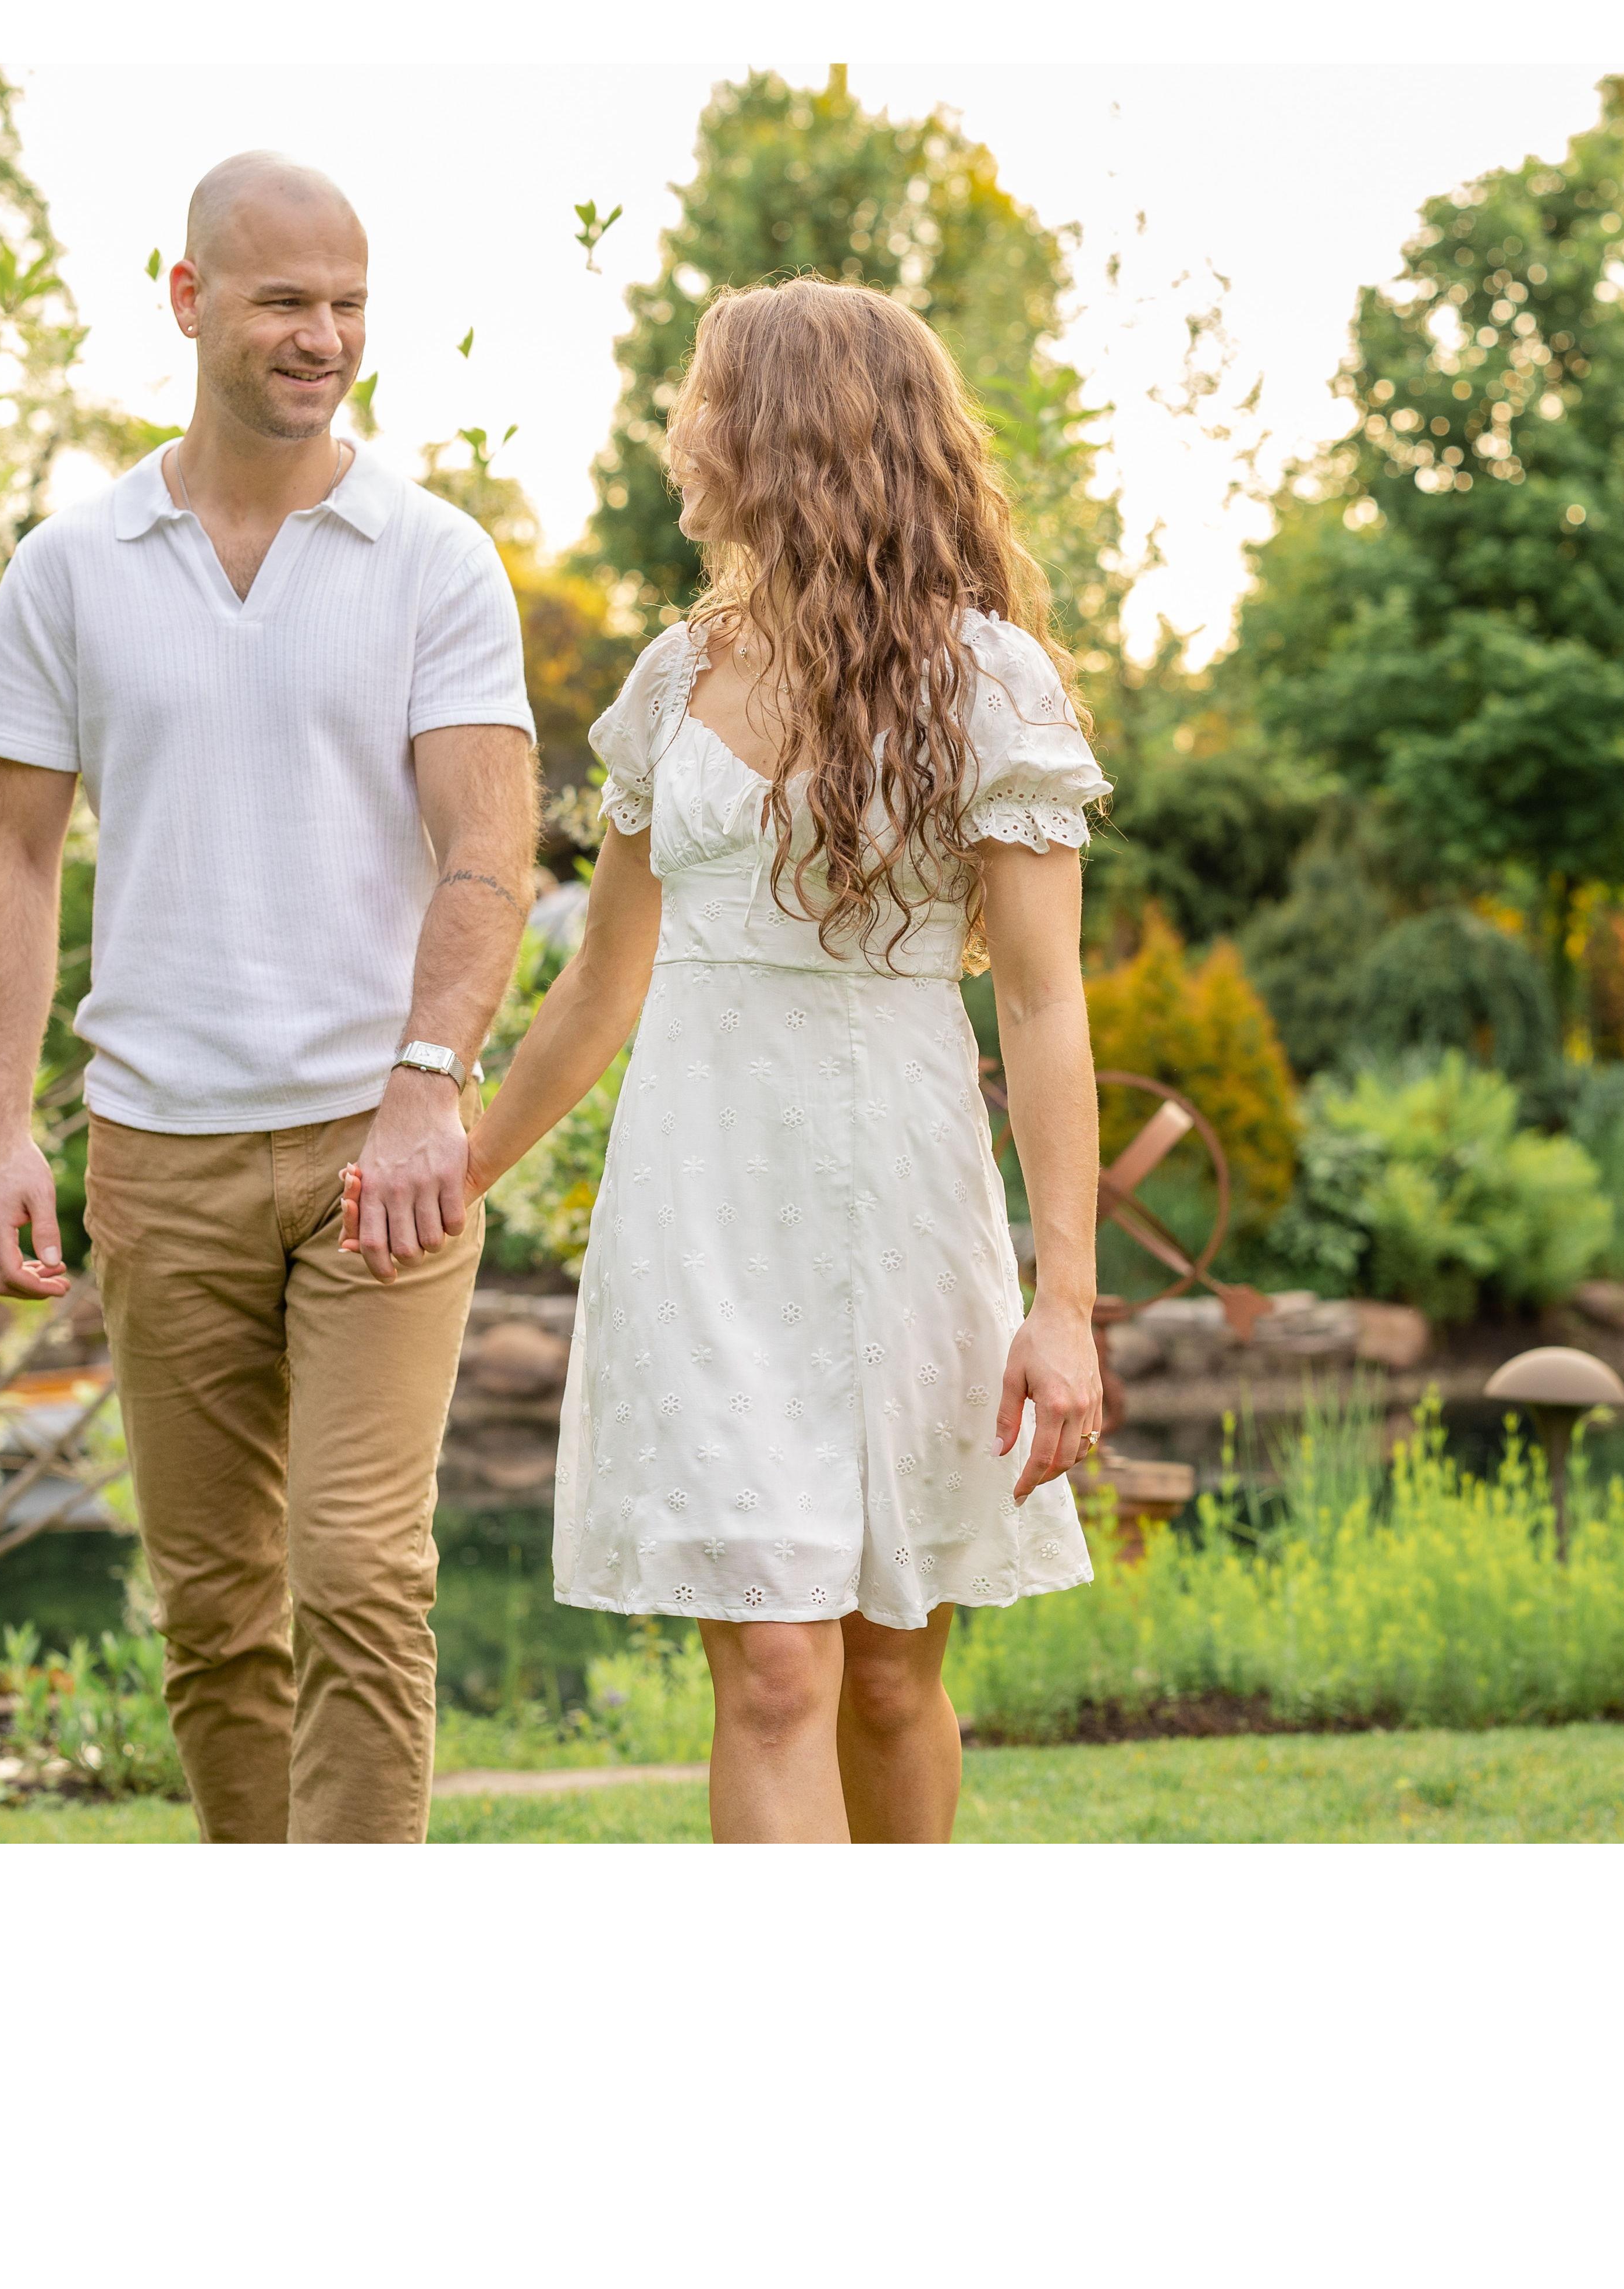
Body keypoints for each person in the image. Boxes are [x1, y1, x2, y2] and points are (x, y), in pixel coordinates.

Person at [402, 276, 1108, 1842]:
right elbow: (603, 982)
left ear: (791, 435)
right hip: (703, 1204)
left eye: (704, 404)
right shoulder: (671, 681)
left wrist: (1063, 1301)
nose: (679, 438)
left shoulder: (994, 683)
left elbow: (1044, 1006)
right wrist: (465, 1163)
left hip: (902, 1203)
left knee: (890, 1677)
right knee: (778, 1672)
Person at [0, 153, 537, 1844]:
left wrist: (428, 1084)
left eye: (349, 305)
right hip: (160, 1152)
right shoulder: (72, 565)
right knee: (215, 1610)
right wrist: (5, 1134)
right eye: (286, 302)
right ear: (190, 297)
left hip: (382, 1154)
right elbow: (9, 858)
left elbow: (488, 846)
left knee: (359, 1572)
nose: (324, 338)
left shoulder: (434, 560)